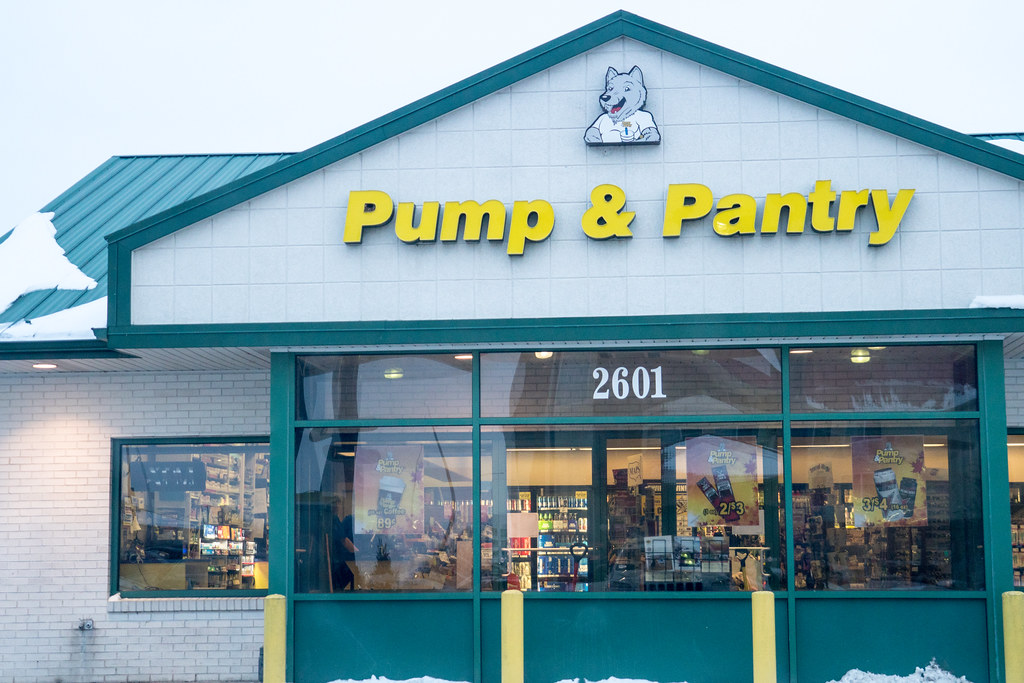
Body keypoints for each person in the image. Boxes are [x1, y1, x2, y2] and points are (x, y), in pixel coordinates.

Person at [330, 497, 358, 591]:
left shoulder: (333, 519)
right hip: (337, 560)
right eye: (335, 505)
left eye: (338, 505)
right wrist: (358, 553)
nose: (337, 508)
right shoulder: (335, 519)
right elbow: (344, 541)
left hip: (335, 559)